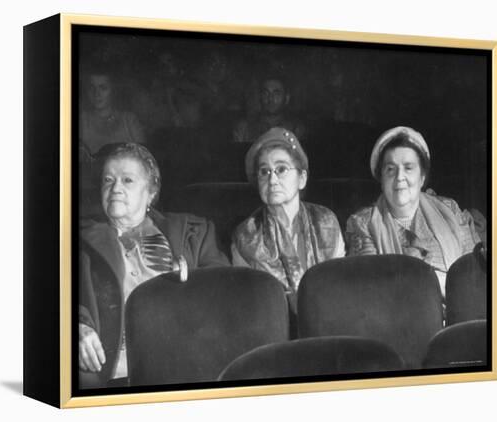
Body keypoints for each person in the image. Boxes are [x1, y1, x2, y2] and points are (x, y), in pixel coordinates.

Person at [79, 143, 229, 388]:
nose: (115, 188)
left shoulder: (194, 233)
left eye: (127, 180)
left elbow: (226, 294)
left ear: (150, 192)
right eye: (108, 180)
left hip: (186, 362)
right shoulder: (78, 240)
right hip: (112, 368)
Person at [346, 126, 481, 298]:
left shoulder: (450, 210)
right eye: (390, 169)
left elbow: (472, 273)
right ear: (381, 179)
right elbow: (371, 290)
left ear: (422, 177)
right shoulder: (363, 224)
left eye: (408, 168)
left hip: (458, 315)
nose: (399, 177)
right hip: (399, 319)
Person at [231, 128, 345, 327]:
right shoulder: (245, 235)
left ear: (302, 178)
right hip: (273, 332)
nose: (272, 180)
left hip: (329, 327)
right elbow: (253, 305)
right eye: (264, 172)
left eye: (281, 169)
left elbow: (338, 288)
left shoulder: (326, 221)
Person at [79, 68, 146, 156]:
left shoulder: (129, 121)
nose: (96, 94)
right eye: (92, 87)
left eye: (103, 88)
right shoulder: (81, 121)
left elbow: (144, 157)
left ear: (113, 90)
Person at [233, 75, 306, 144]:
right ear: (260, 97)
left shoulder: (296, 129)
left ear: (286, 98)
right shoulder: (244, 128)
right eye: (266, 93)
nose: (270, 99)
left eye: (276, 94)